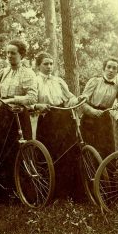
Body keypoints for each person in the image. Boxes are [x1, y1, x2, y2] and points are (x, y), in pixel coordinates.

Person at [0, 39, 38, 198]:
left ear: (22, 55)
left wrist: (14, 100)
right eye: (7, 53)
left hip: (18, 115)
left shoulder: (28, 73)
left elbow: (32, 97)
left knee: (18, 152)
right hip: (2, 116)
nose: (9, 56)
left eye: (13, 53)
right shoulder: (3, 72)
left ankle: (22, 193)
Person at [33, 52, 83, 199]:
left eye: (51, 64)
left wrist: (75, 100)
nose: (49, 67)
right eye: (45, 64)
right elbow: (32, 102)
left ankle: (69, 191)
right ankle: (51, 192)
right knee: (50, 154)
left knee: (68, 152)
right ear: (38, 66)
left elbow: (69, 97)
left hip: (63, 118)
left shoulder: (58, 81)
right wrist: (39, 106)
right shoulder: (35, 81)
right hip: (46, 120)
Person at [80, 57, 118, 158]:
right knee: (90, 150)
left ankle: (106, 173)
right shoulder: (94, 81)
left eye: (114, 68)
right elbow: (82, 102)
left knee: (107, 150)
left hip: (105, 119)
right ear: (104, 68)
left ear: (117, 71)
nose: (111, 70)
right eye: (108, 67)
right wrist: (92, 111)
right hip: (89, 119)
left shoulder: (117, 86)